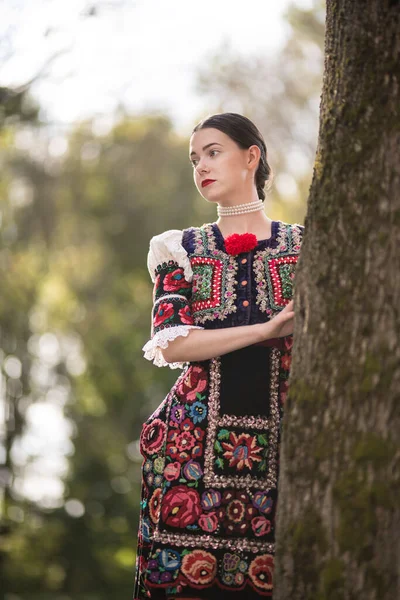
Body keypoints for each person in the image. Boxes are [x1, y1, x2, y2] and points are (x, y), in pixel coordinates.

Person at [133, 112, 304, 599]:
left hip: (286, 447)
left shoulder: (307, 246)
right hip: (187, 455)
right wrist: (266, 329)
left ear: (251, 157)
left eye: (213, 152)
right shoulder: (178, 248)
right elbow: (172, 341)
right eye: (194, 159)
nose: (201, 166)